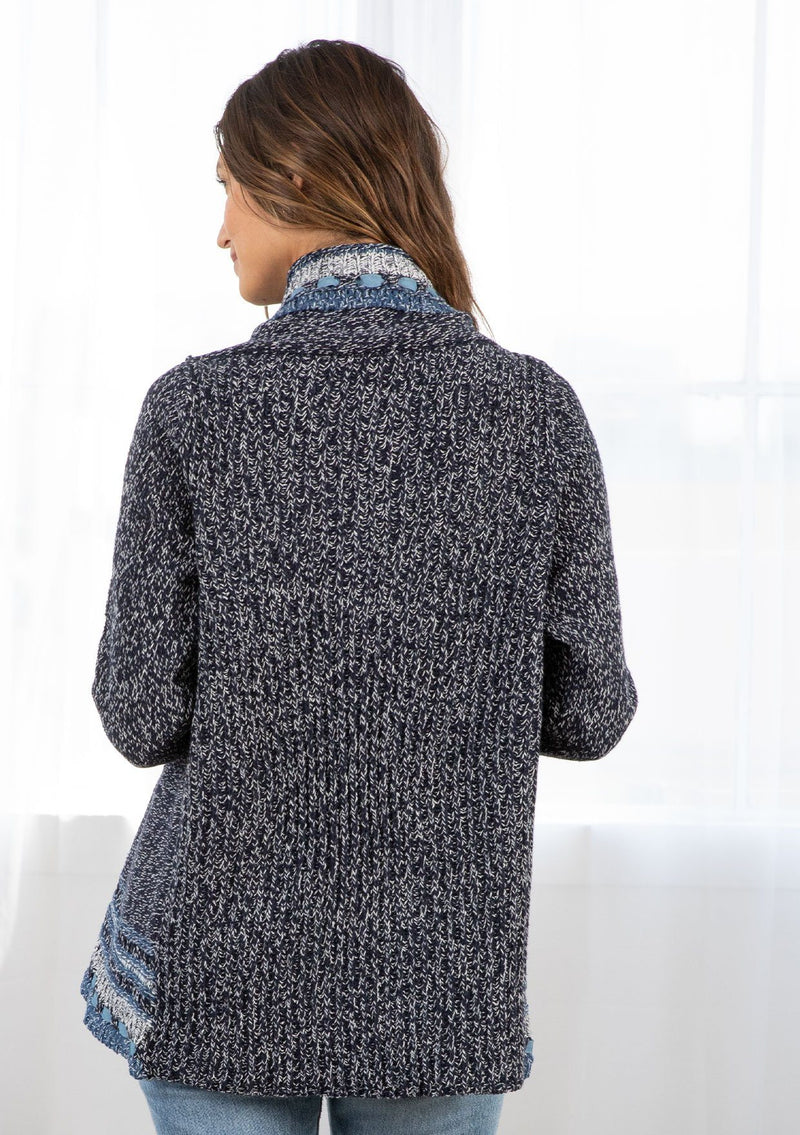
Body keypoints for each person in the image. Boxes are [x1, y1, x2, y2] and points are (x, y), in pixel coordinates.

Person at [79, 38, 637, 1135]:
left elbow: (137, 715)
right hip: (438, 983)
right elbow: (590, 711)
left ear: (292, 179)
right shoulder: (535, 413)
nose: (221, 229)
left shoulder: (194, 410)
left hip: (217, 977)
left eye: (228, 188)